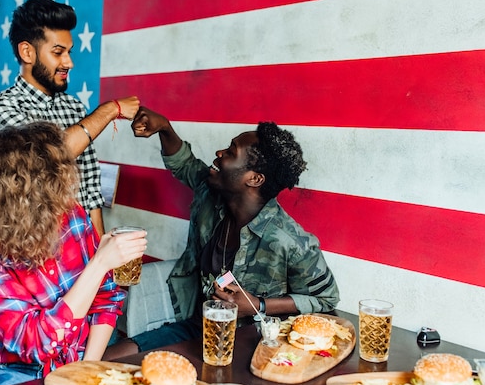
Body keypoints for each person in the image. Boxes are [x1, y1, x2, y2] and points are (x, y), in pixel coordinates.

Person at [104, 107, 339, 359]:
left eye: (230, 152)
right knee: (110, 358)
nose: (219, 153)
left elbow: (326, 299)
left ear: (255, 179)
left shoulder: (289, 240)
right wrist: (164, 128)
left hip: (253, 344)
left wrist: (257, 306)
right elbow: (185, 164)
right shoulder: (212, 193)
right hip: (198, 328)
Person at [0, 122, 147, 385]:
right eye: (56, 180)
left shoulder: (73, 218)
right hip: (8, 373)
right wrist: (100, 264)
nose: (66, 188)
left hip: (77, 360)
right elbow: (37, 343)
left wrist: (86, 371)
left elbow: (106, 299)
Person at [0, 0, 140, 236]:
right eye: (58, 52)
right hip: (33, 248)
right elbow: (47, 155)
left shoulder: (74, 108)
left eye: (69, 52)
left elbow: (89, 191)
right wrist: (110, 109)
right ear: (27, 52)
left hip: (81, 246)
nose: (69, 62)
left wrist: (99, 255)